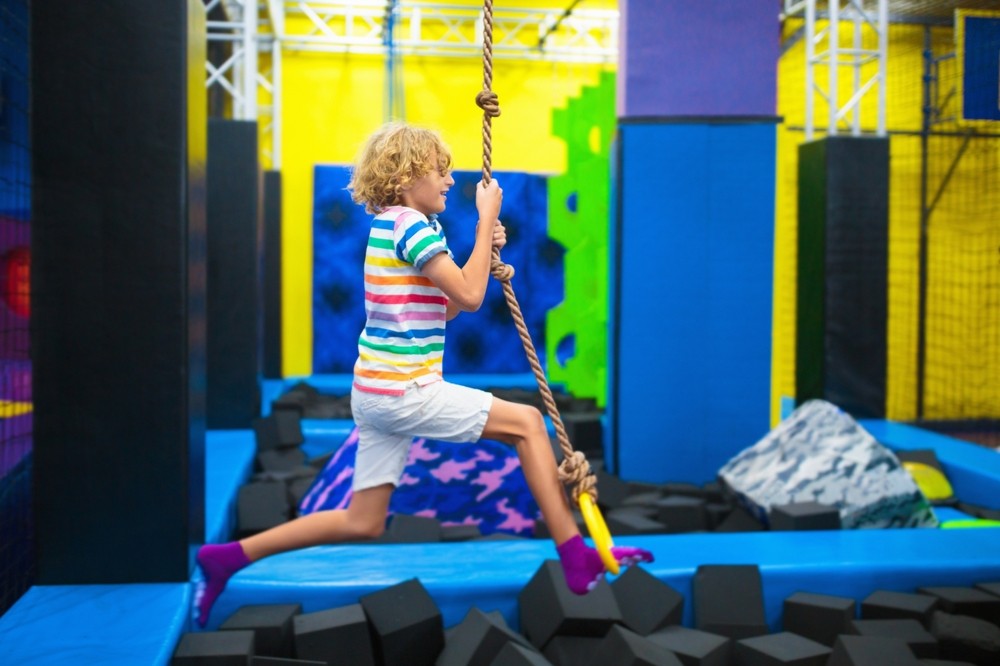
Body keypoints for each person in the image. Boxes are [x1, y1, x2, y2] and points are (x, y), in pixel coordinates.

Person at [194, 122, 652, 628]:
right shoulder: (409, 226)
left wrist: (485, 248)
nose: (450, 181)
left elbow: (451, 310)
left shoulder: (401, 228)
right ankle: (574, 553)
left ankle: (229, 557)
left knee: (362, 521)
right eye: (441, 170)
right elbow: (472, 297)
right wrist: (484, 224)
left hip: (375, 392)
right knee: (526, 422)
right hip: (403, 389)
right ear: (407, 174)